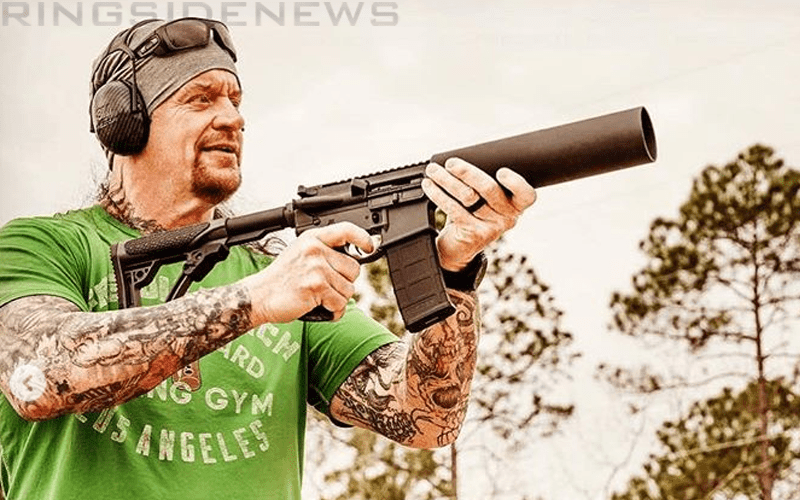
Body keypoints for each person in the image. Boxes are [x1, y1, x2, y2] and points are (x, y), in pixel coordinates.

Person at [0, 17, 536, 500]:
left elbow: (427, 418)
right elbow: (38, 375)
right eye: (201, 99)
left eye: (236, 101)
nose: (232, 118)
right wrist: (255, 301)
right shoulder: (40, 246)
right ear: (123, 123)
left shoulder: (277, 272)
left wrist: (455, 270)